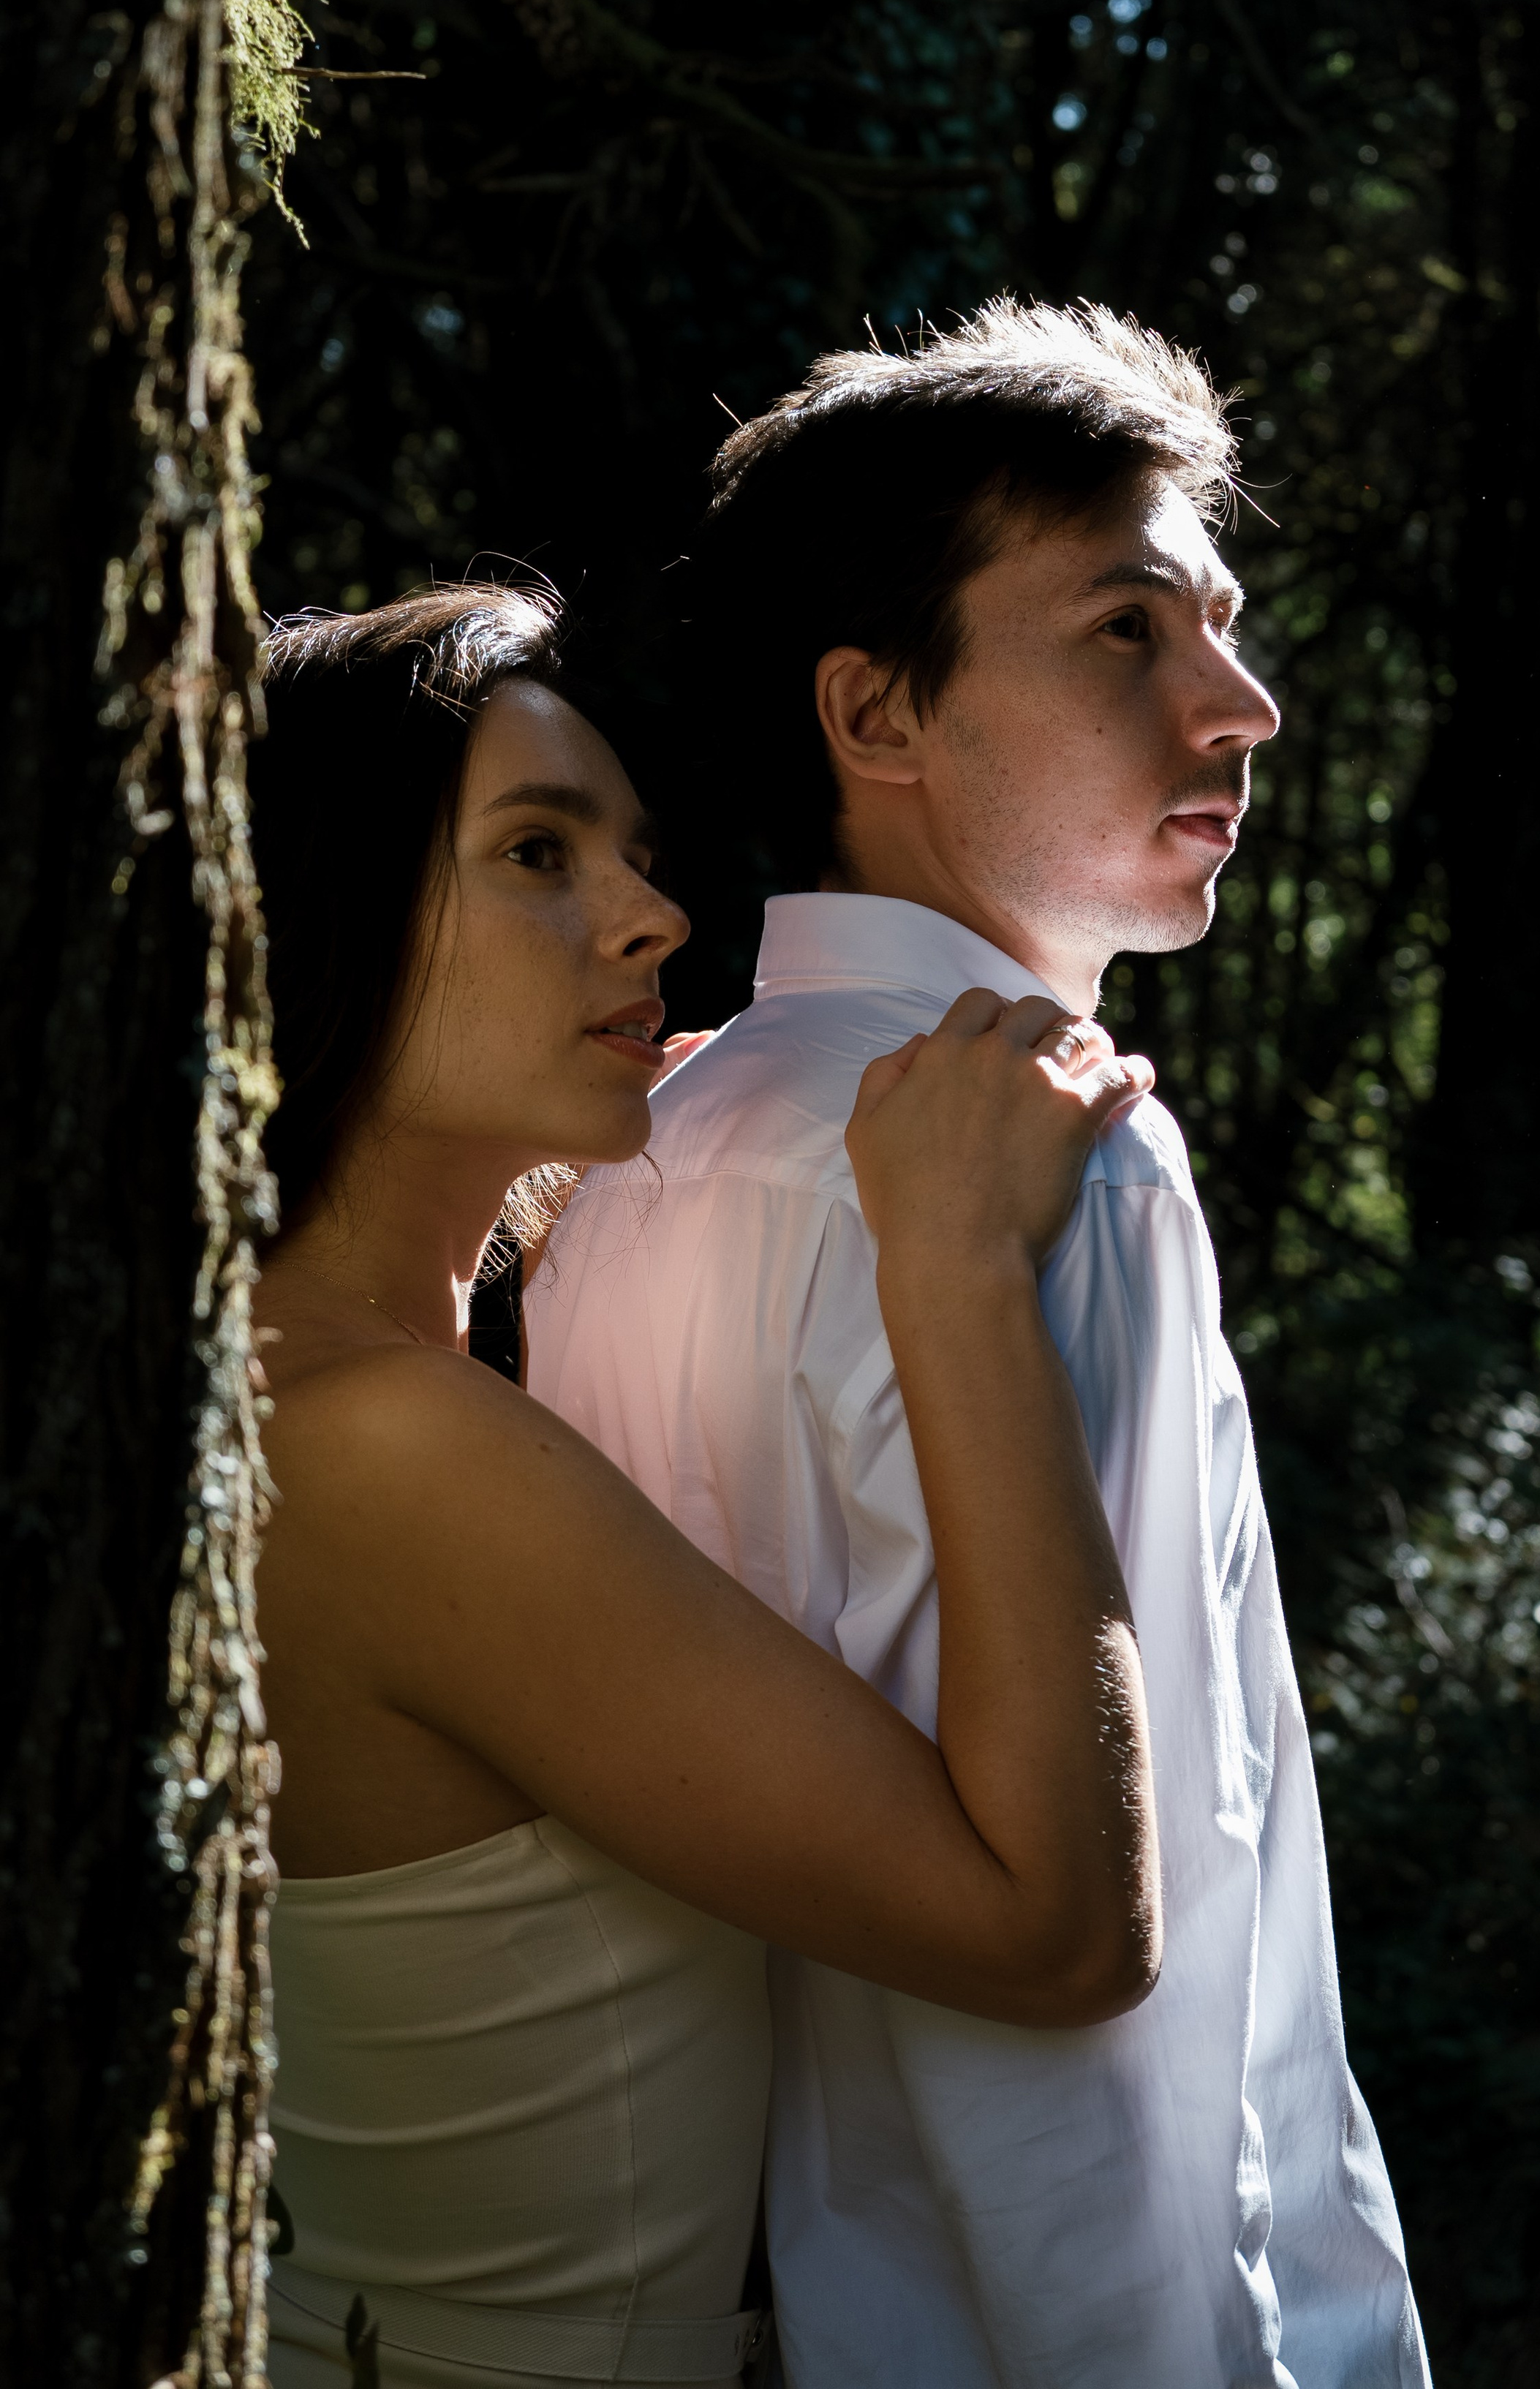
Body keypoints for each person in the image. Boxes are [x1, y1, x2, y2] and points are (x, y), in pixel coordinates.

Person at [526, 303, 1432, 2388]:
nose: (1246, 703)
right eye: (1128, 631)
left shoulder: (652, 1139)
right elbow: (1150, 1976)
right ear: (878, 712)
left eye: (1223, 622)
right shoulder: (1064, 1170)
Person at [246, 584, 1165, 2389]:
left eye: (637, 853)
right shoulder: (389, 1450)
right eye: (536, 853)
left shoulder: (310, 1391)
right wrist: (955, 1272)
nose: (651, 915)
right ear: (319, 913)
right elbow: (1052, 1929)